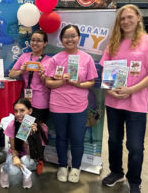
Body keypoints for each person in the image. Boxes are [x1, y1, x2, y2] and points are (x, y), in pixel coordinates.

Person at [99, 4, 148, 193]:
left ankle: (134, 180)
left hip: (136, 105)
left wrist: (132, 89)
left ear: (138, 17)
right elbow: (106, 68)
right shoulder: (114, 42)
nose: (126, 21)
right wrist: (109, 89)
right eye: (122, 18)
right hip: (113, 102)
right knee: (114, 141)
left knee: (135, 146)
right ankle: (116, 172)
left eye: (129, 17)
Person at [45, 24, 98, 183]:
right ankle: (62, 166)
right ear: (61, 40)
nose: (70, 39)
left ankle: (76, 168)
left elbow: (91, 82)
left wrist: (78, 85)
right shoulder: (56, 59)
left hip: (79, 106)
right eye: (66, 36)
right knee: (61, 137)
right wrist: (62, 81)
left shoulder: (86, 58)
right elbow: (48, 82)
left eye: (73, 36)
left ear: (79, 38)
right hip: (58, 104)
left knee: (77, 138)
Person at [0, 98, 48, 189]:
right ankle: (4, 170)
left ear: (30, 111)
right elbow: (13, 148)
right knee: (13, 170)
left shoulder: (42, 128)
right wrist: (15, 157)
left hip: (30, 154)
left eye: (22, 110)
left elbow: (35, 154)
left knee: (27, 161)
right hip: (16, 152)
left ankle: (26, 174)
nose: (18, 114)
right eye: (16, 111)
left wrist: (31, 137)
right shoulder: (12, 125)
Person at [9, 29, 51, 124]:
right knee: (24, 131)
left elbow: (50, 84)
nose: (35, 43)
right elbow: (11, 74)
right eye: (33, 40)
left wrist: (42, 75)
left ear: (45, 43)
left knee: (38, 131)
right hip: (26, 101)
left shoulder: (49, 60)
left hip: (41, 101)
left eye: (39, 40)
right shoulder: (24, 56)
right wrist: (21, 70)